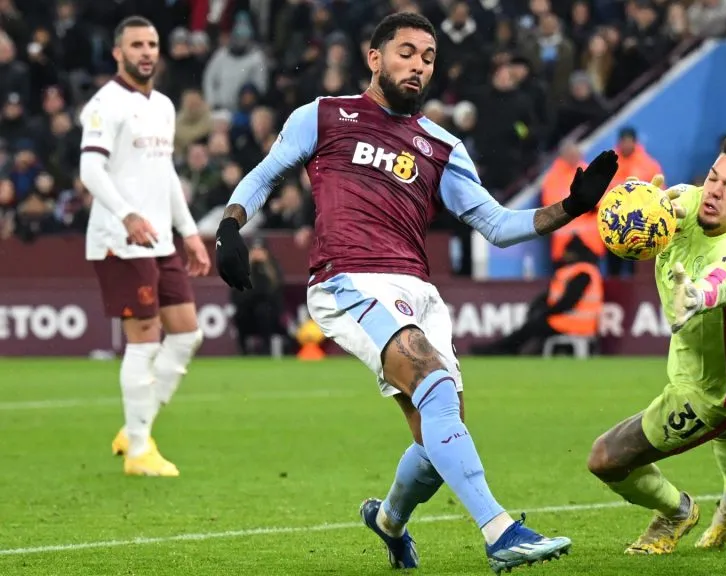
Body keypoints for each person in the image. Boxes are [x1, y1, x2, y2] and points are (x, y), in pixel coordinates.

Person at [212, 12, 619, 573]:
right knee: (429, 380)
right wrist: (231, 224)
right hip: (347, 278)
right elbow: (264, 174)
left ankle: (389, 522)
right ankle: (501, 532)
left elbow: (497, 225)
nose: (418, 65)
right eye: (406, 52)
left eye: (428, 58)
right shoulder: (325, 116)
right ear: (374, 58)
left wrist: (572, 208)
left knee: (437, 430)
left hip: (417, 290)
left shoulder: (440, 144)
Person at [586, 137, 726, 555]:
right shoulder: (692, 202)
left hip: (713, 391)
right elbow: (674, 205)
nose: (714, 191)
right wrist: (647, 207)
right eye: (713, 177)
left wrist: (696, 297)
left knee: (606, 458)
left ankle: (676, 512)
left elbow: (721, 282)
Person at [78, 16, 210, 478]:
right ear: (118, 52)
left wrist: (189, 231)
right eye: (136, 44)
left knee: (188, 332)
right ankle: (138, 450)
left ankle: (137, 428)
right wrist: (126, 214)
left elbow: (164, 173)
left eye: (152, 44)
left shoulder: (164, 106)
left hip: (159, 238)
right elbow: (91, 171)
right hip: (120, 239)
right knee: (145, 337)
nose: (146, 52)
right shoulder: (104, 105)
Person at [471, 235, 603, 355]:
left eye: (566, 252)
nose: (563, 256)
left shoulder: (582, 273)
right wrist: (539, 307)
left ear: (572, 253)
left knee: (531, 327)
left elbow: (568, 301)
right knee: (532, 325)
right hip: (571, 322)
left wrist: (546, 312)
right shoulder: (582, 271)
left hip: (574, 324)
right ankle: (503, 349)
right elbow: (551, 297)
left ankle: (501, 349)